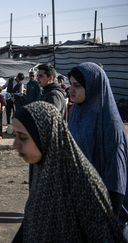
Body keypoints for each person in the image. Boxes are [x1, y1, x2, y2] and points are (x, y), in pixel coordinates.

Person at [11, 101, 123, 242]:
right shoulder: (40, 168)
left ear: (45, 135)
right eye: (15, 135)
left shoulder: (82, 181)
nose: (15, 144)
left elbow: (103, 236)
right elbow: (30, 221)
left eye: (23, 137)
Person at [68, 62, 128, 222]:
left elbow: (116, 177)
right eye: (70, 84)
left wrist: (108, 223)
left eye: (77, 85)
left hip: (104, 205)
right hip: (80, 200)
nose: (71, 90)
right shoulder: (75, 112)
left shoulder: (110, 124)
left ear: (93, 87)